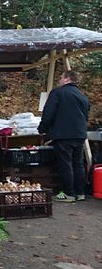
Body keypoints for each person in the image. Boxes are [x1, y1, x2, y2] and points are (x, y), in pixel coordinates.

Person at [38, 70, 90, 202]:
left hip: (63, 134)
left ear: (67, 79)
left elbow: (48, 113)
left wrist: (42, 129)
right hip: (80, 134)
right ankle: (80, 193)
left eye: (61, 78)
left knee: (65, 165)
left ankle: (68, 193)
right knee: (78, 163)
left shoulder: (57, 93)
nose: (59, 80)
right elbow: (86, 116)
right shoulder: (82, 96)